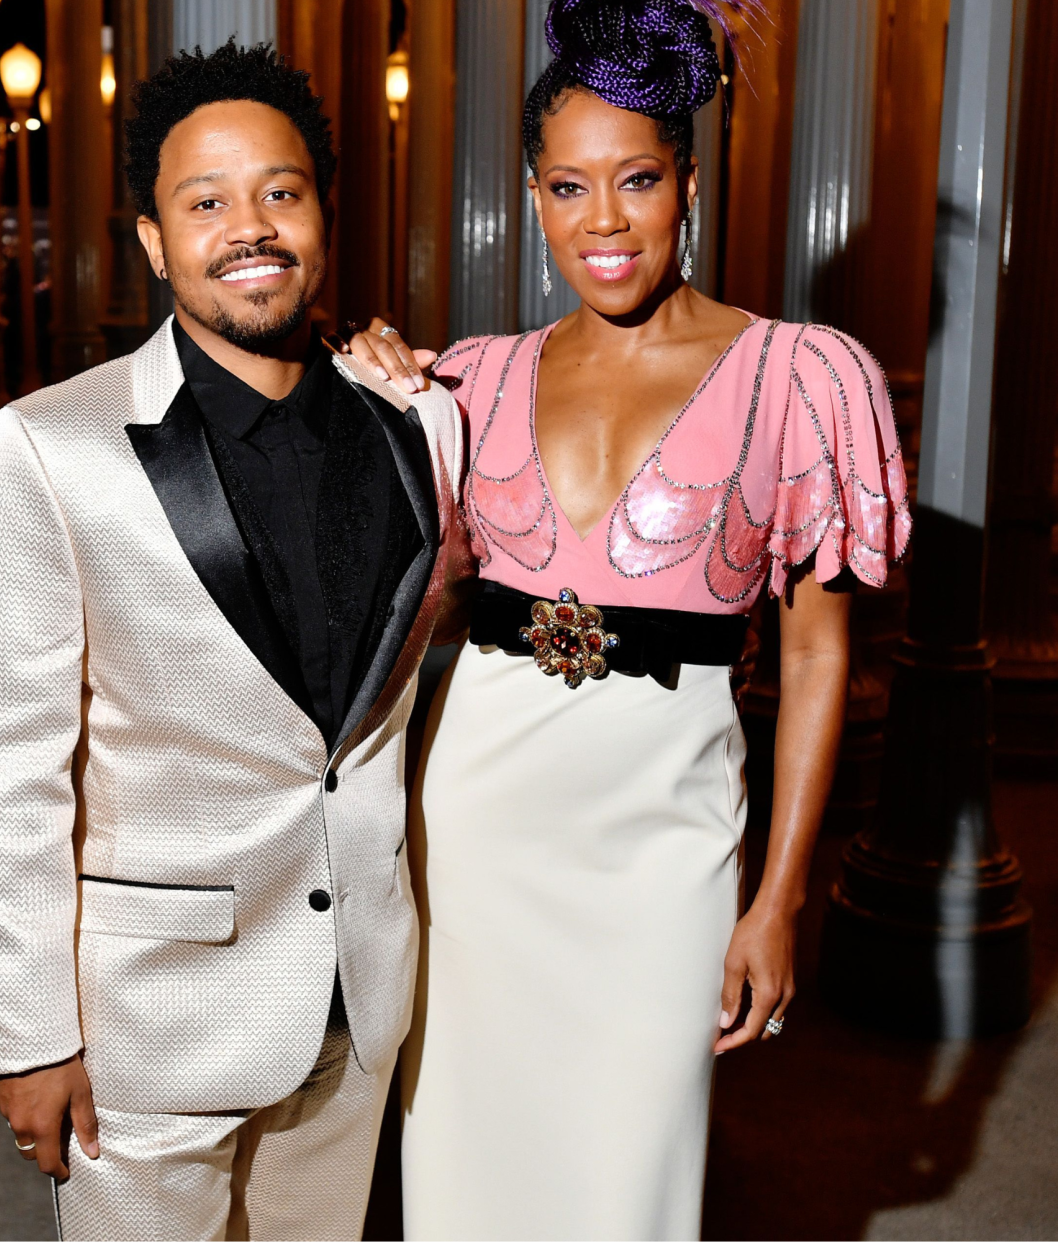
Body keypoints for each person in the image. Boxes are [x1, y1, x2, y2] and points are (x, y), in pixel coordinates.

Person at [346, 0, 911, 1236]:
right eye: (567, 187)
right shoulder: (473, 380)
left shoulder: (798, 380)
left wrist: (777, 900)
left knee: (629, 1192)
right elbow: (394, 597)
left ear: (688, 182)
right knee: (466, 1184)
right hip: (481, 836)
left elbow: (817, 656)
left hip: (666, 850)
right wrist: (372, 404)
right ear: (534, 195)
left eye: (637, 180)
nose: (601, 222)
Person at [0, 41, 463, 1242]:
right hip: (148, 1027)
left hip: (356, 1002)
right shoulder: (50, 446)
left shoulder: (416, 423)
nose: (251, 226)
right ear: (151, 238)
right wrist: (25, 1034)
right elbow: (8, 771)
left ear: (323, 214)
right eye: (207, 200)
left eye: (281, 192)